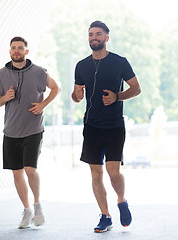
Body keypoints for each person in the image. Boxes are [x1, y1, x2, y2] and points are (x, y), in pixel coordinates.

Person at [72, 20, 141, 233]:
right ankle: (105, 215)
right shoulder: (81, 65)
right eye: (91, 34)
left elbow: (136, 89)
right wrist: (76, 95)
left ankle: (121, 200)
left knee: (113, 171)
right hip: (91, 126)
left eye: (98, 34)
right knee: (95, 173)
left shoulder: (120, 62)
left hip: (114, 126)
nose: (94, 37)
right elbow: (75, 95)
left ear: (106, 38)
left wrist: (117, 97)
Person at [0, 36, 60, 229]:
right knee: (17, 173)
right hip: (11, 130)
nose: (16, 51)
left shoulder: (39, 72)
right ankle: (27, 210)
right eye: (13, 48)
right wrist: (5, 97)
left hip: (33, 128)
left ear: (26, 51)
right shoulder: (1, 74)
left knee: (30, 169)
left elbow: (56, 88)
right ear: (9, 51)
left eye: (20, 48)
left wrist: (43, 104)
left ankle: (38, 205)